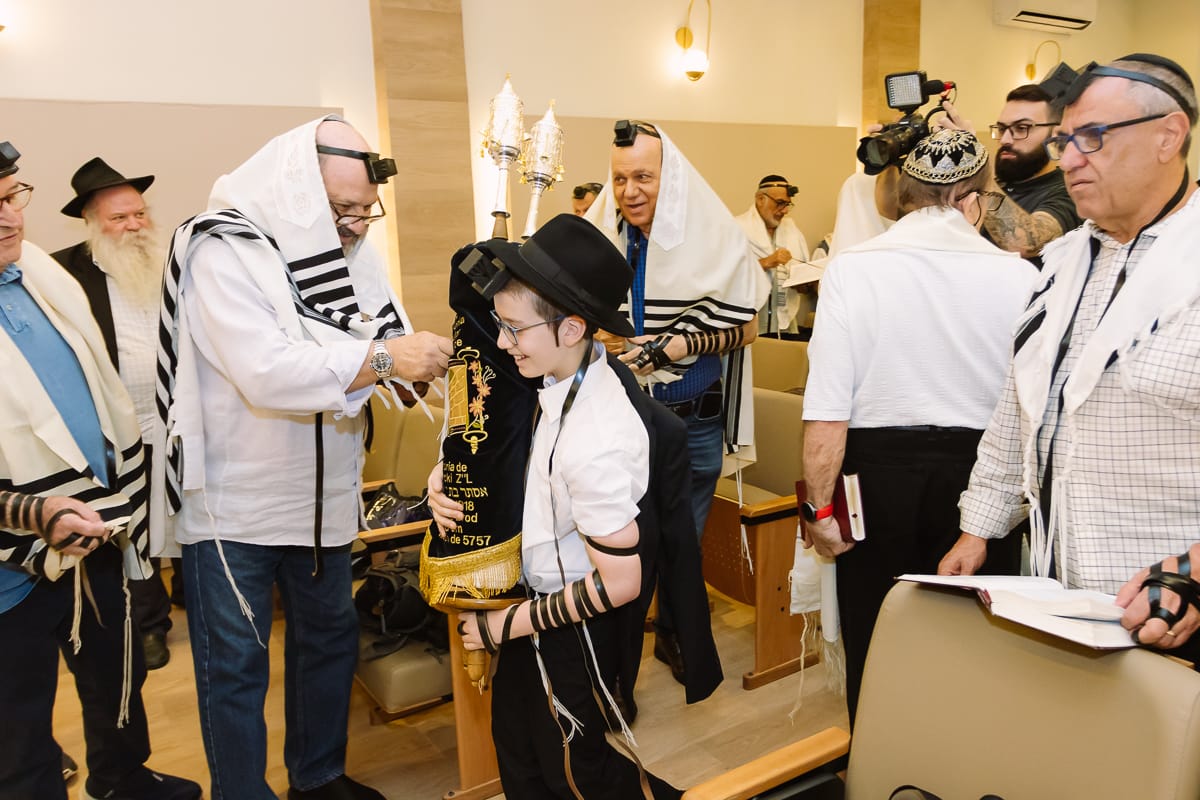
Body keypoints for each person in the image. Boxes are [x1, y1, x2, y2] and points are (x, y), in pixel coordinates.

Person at [151, 117, 453, 799]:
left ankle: (318, 778)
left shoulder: (349, 255)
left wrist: (405, 375)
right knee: (236, 667)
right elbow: (267, 371)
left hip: (325, 497)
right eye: (341, 209)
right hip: (236, 506)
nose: (356, 226)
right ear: (297, 193)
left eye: (366, 209)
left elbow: (372, 342)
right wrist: (386, 360)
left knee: (328, 644)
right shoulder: (222, 249)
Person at [938, 54, 1200, 668]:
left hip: (1169, 606)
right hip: (1066, 594)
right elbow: (1018, 409)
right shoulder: (1064, 264)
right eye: (1064, 142)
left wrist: (1192, 573)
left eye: (1093, 138)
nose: (1069, 160)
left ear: (1169, 135)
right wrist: (978, 528)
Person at [436, 213, 682, 799]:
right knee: (521, 756)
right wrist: (443, 476)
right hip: (536, 613)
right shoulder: (556, 378)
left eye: (514, 329)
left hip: (569, 628)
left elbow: (621, 583)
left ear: (571, 329)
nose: (502, 342)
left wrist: (504, 626)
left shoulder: (595, 438)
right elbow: (505, 446)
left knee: (577, 776)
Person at [802, 129, 1036, 724]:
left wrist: (818, 510)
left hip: (874, 477)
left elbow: (827, 409)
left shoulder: (853, 269)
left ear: (904, 194)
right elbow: (1029, 407)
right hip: (983, 478)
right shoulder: (1020, 277)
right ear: (973, 199)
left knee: (876, 630)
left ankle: (879, 754)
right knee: (977, 643)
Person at [0, 142, 200, 800]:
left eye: (10, 197)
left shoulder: (37, 277)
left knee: (116, 673)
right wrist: (37, 512)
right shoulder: (66, 269)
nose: (8, 217)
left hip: (100, 525)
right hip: (14, 563)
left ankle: (122, 779)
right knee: (20, 728)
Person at [585, 120, 767, 682]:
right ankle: (617, 669)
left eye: (643, 177)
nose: (629, 191)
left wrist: (678, 345)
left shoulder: (714, 234)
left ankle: (674, 637)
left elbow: (747, 327)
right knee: (629, 543)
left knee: (683, 543)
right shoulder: (604, 237)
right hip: (626, 421)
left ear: (673, 178)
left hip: (695, 419)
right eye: (619, 179)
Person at [52, 157, 177, 671]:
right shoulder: (62, 274)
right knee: (132, 531)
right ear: (91, 223)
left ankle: (192, 596)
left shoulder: (172, 262)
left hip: (178, 423)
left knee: (186, 517)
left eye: (139, 214)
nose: (134, 226)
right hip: (117, 432)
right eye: (119, 218)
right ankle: (148, 624)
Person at [943, 85, 1082, 267]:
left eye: (1022, 128)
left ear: (1055, 134)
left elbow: (1025, 243)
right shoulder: (994, 186)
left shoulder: (1069, 190)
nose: (1005, 140)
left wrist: (974, 162)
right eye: (1002, 129)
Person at [735, 175, 822, 337]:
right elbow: (729, 273)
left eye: (787, 204)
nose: (784, 211)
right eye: (780, 203)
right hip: (748, 326)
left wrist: (804, 284)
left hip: (785, 326)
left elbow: (802, 288)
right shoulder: (737, 228)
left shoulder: (793, 232)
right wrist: (767, 262)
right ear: (761, 199)